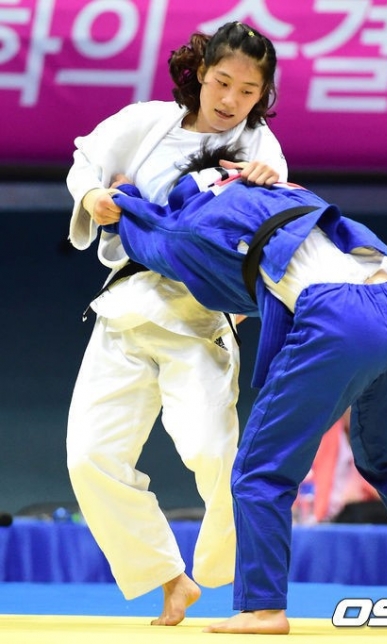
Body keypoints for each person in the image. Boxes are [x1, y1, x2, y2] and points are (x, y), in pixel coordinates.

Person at [105, 144, 387, 635]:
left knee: (260, 470)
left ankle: (263, 608)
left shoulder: (203, 208)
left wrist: (122, 200)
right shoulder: (286, 188)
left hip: (340, 318)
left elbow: (156, 237)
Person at [65, 21, 287, 626]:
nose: (231, 100)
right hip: (128, 306)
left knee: (214, 454)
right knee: (90, 456)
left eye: (248, 91)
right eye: (223, 82)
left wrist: (270, 187)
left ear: (262, 95)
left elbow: (277, 226)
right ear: (201, 72)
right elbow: (86, 159)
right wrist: (91, 198)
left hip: (200, 315)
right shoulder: (147, 122)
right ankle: (168, 576)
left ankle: (244, 584)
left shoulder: (260, 148)